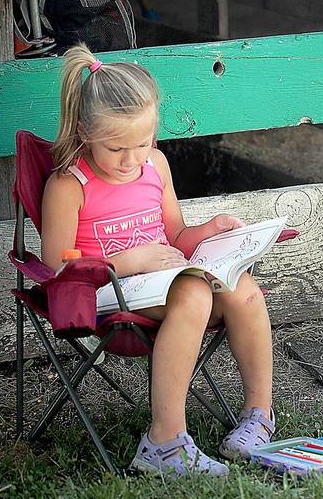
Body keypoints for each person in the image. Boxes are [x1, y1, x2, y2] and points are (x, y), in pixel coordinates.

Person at [40, 43, 277, 476]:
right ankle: (164, 443)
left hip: (164, 278)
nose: (132, 160)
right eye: (116, 149)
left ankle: (259, 413)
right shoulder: (68, 184)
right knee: (192, 294)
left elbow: (175, 237)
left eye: (143, 143)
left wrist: (207, 233)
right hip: (106, 291)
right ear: (84, 132)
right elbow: (59, 269)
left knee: (243, 290)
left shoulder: (156, 165)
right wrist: (133, 260)